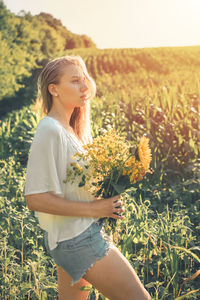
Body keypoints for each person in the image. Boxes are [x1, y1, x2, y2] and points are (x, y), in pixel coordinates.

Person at [24, 55, 151, 300]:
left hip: (74, 236)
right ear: (54, 89)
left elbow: (76, 185)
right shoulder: (49, 129)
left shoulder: (72, 129)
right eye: (74, 81)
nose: (84, 86)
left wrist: (124, 173)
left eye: (84, 79)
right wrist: (96, 208)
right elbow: (35, 199)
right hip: (78, 239)